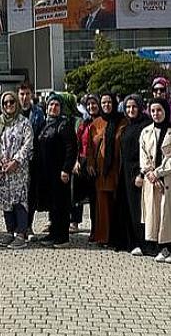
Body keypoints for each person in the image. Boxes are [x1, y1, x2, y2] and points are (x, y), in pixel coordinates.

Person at [138, 99, 171, 263]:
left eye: (159, 110)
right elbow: (143, 155)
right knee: (157, 214)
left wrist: (159, 173)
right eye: (153, 111)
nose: (156, 114)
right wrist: (150, 174)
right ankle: (163, 248)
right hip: (152, 181)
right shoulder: (146, 132)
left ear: (166, 111)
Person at [0, 92, 33, 250]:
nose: (9, 105)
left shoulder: (24, 122)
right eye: (5, 102)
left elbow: (27, 144)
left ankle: (21, 233)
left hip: (18, 170)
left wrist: (15, 161)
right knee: (6, 201)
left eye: (12, 102)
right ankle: (10, 231)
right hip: (2, 170)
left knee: (19, 201)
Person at [35, 94, 76, 247]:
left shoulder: (64, 125)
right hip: (47, 172)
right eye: (51, 105)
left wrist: (66, 169)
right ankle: (53, 232)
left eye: (56, 105)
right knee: (52, 205)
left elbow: (71, 148)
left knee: (61, 204)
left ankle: (62, 236)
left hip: (60, 172)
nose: (53, 108)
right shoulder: (46, 124)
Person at [86, 93, 126, 246]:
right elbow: (90, 146)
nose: (107, 105)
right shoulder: (96, 123)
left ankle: (117, 237)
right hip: (101, 171)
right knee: (102, 205)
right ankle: (103, 237)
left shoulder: (122, 122)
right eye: (104, 103)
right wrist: (90, 163)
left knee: (117, 204)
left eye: (109, 102)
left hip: (118, 169)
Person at [115, 94, 149, 256]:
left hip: (138, 171)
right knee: (127, 208)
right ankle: (130, 241)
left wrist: (142, 173)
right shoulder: (127, 125)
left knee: (139, 209)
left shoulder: (146, 125)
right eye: (128, 107)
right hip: (126, 172)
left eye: (134, 107)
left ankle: (143, 243)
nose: (131, 110)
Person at [17, 81, 45, 237]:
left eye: (27, 94)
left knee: (31, 194)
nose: (25, 97)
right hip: (17, 160)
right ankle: (18, 226)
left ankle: (28, 225)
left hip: (33, 159)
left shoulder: (38, 113)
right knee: (18, 194)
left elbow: (41, 134)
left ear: (32, 95)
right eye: (22, 94)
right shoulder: (13, 111)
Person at [73, 94, 99, 237]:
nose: (91, 107)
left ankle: (96, 229)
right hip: (82, 163)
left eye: (94, 103)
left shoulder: (103, 122)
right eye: (88, 105)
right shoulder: (84, 123)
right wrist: (76, 161)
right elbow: (77, 143)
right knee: (80, 198)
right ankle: (76, 223)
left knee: (96, 200)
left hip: (97, 165)